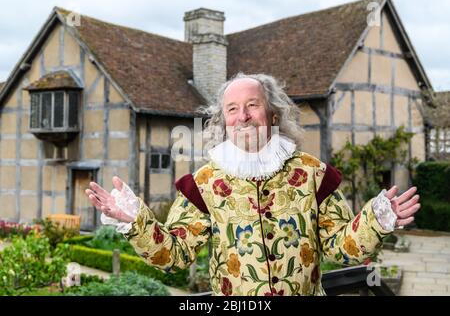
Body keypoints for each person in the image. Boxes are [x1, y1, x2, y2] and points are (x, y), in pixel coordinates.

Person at [85, 73, 420, 296]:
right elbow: (175, 256)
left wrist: (376, 221)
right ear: (224, 120)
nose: (242, 115)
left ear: (272, 114)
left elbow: (342, 248)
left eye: (252, 105)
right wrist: (135, 222)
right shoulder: (204, 183)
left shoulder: (312, 173)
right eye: (232, 109)